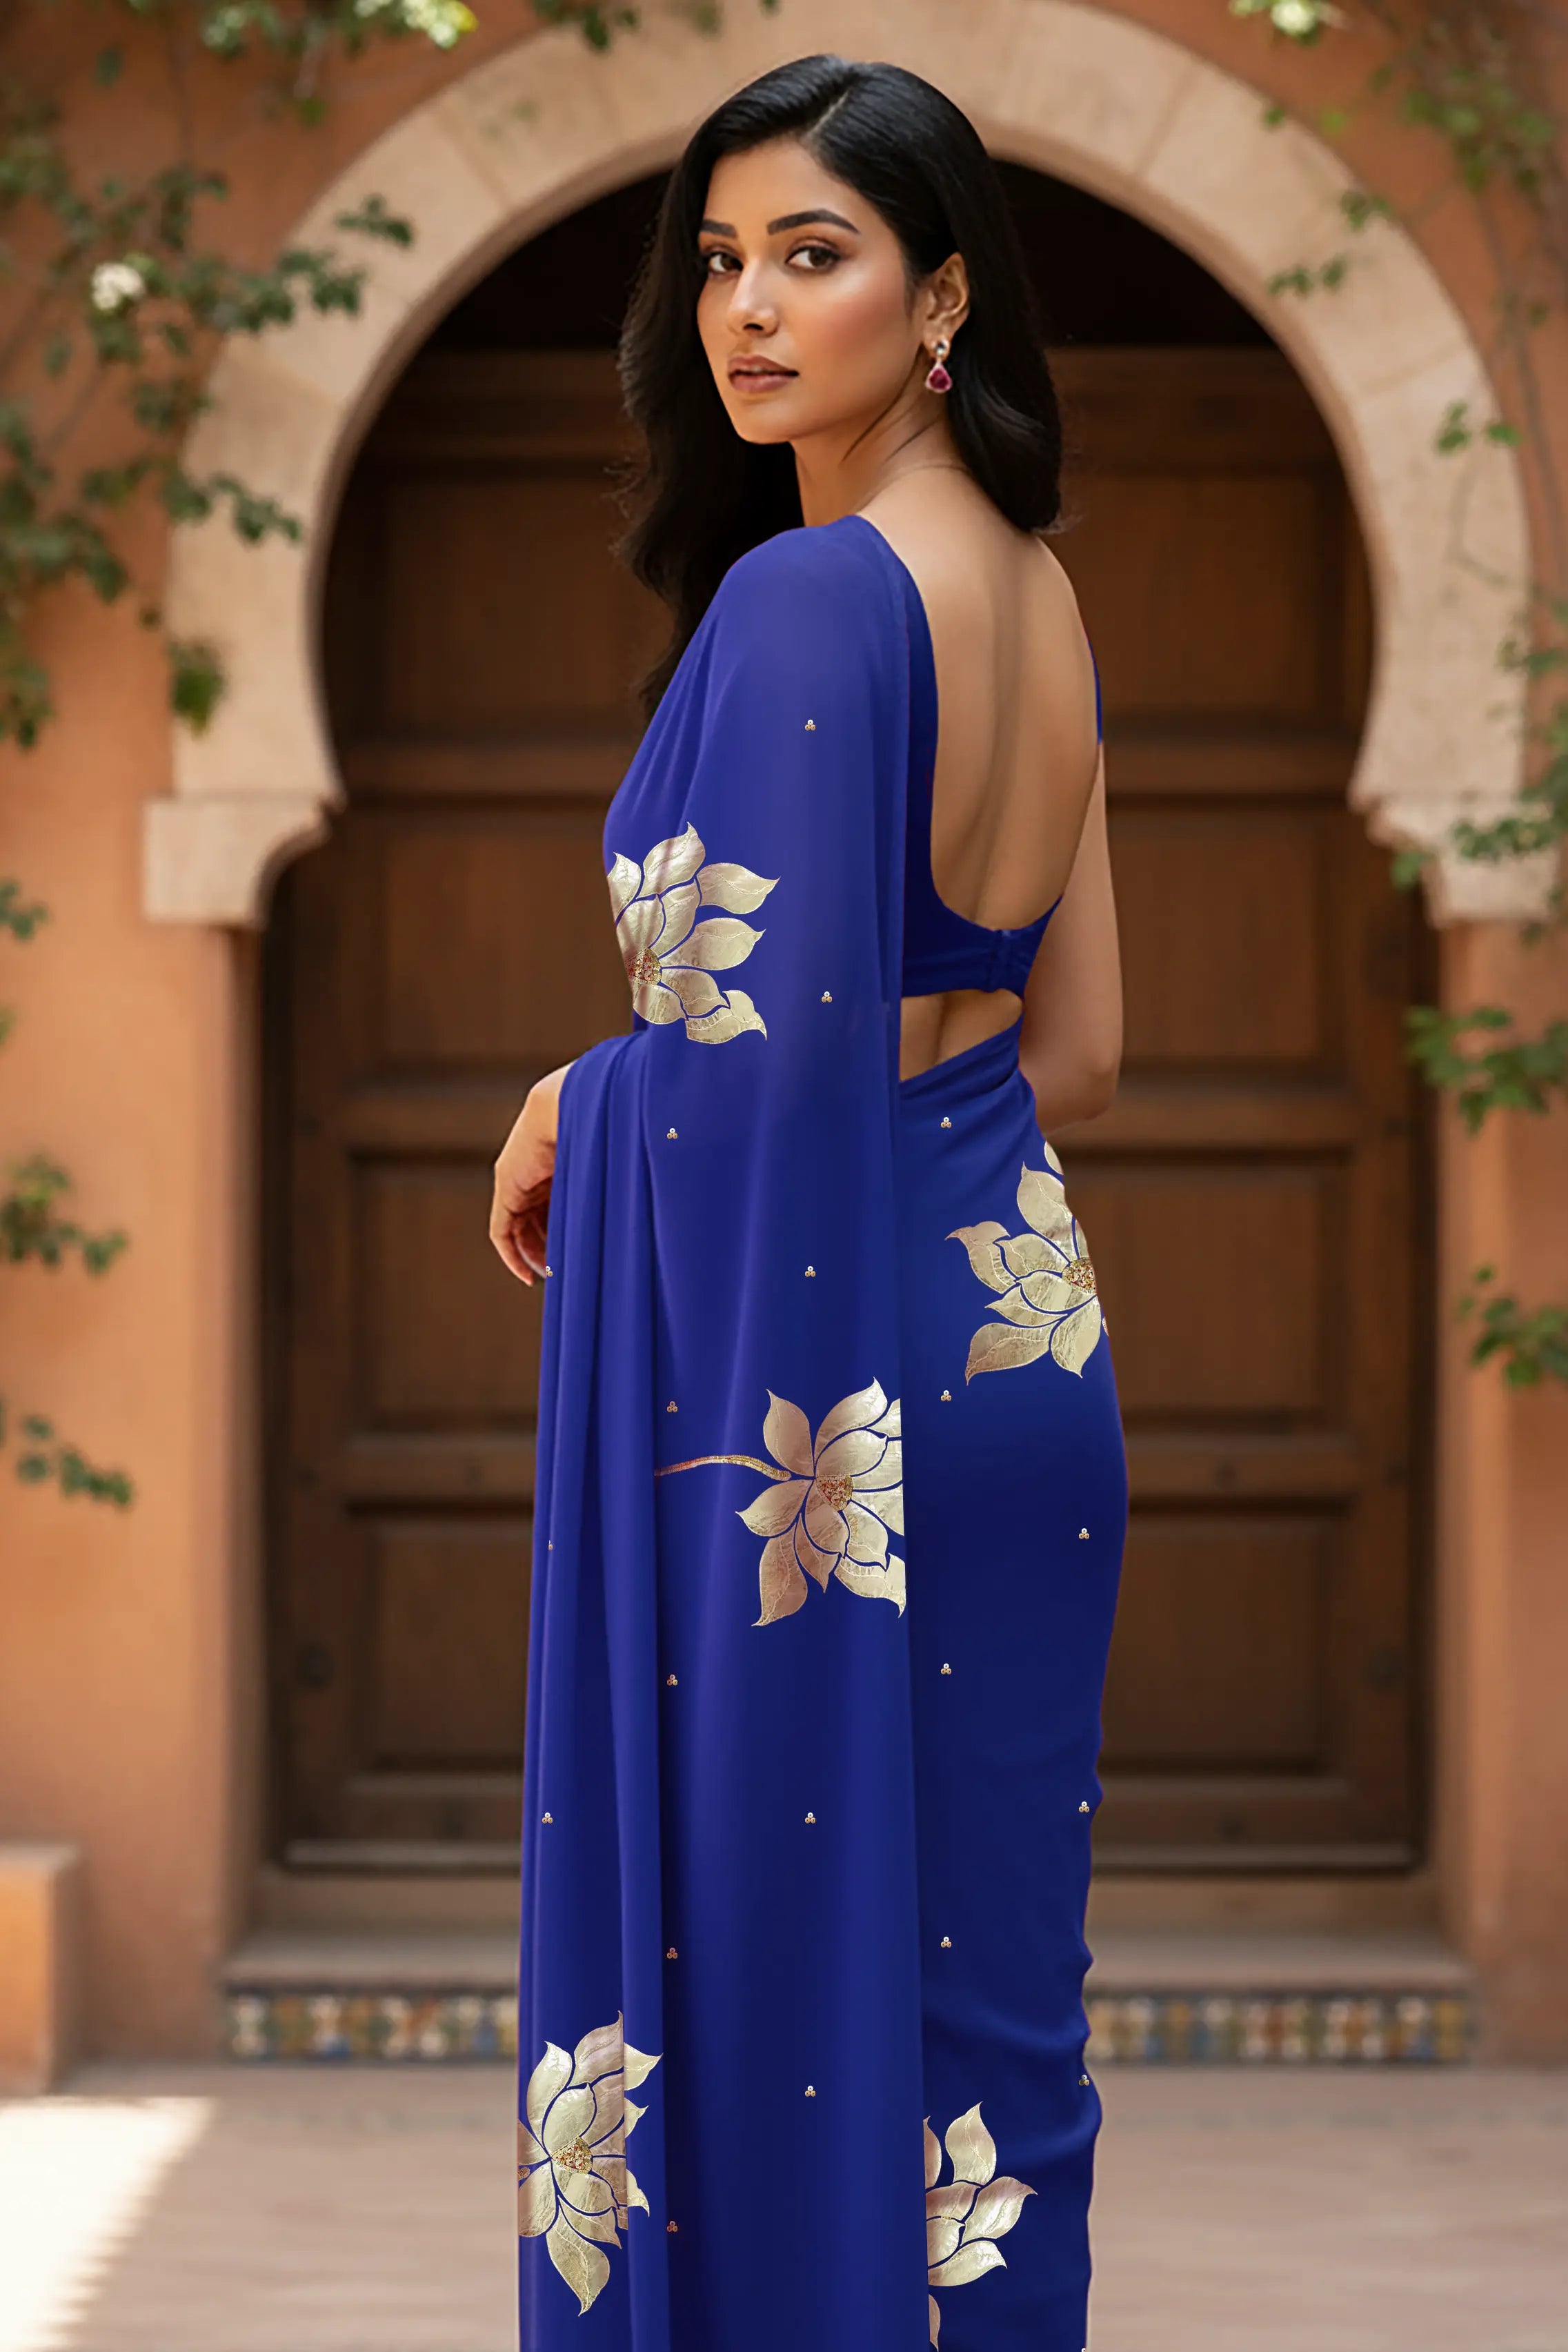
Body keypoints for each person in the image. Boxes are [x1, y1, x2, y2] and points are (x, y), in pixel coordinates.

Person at [489, 52, 1126, 2352]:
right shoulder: (1036, 595)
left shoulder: (811, 603)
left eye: (816, 255)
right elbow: (1078, 1047)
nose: (749, 309)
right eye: (721, 259)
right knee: (975, 2067)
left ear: (939, 296)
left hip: (825, 1450)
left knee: (777, 2018)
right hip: (1014, 1368)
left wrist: (585, 1078)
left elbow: (754, 1088)